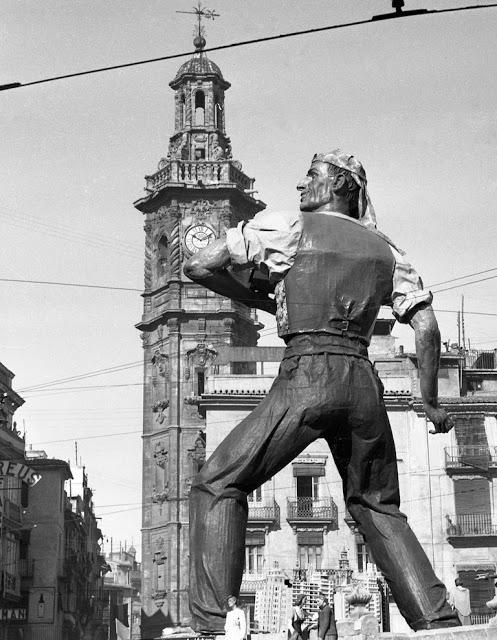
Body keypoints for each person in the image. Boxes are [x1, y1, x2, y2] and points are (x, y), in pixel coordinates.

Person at [185, 149, 460, 633]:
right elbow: (427, 328)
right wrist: (430, 401)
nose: (301, 185)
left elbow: (202, 264)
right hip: (364, 385)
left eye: (312, 175)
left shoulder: (288, 227)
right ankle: (438, 621)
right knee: (377, 506)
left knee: (218, 481)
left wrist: (262, 297)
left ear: (342, 185)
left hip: (308, 374)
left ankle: (213, 624)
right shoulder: (386, 249)